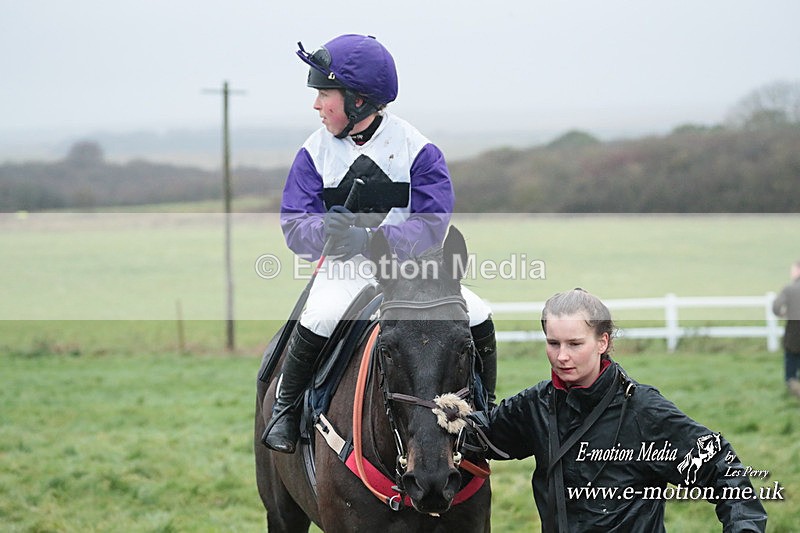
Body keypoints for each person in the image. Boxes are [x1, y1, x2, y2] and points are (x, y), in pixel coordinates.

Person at [263, 34, 497, 454]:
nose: (317, 105)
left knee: (478, 313)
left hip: (412, 270)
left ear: (358, 100)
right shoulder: (312, 153)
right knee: (320, 315)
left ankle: (484, 414)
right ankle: (285, 408)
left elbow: (432, 223)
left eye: (324, 94)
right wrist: (324, 231)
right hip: (344, 270)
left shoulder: (418, 149)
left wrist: (372, 241)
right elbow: (295, 224)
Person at [468, 288, 767, 532]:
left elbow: (722, 469)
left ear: (603, 342)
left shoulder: (643, 411)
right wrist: (443, 413)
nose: (562, 356)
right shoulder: (535, 405)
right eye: (553, 343)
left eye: (575, 344)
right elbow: (480, 433)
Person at [773, 260, 800, 398]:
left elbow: (776, 307)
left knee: (791, 366)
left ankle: (793, 389)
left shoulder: (789, 289)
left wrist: (783, 314)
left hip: (794, 334)